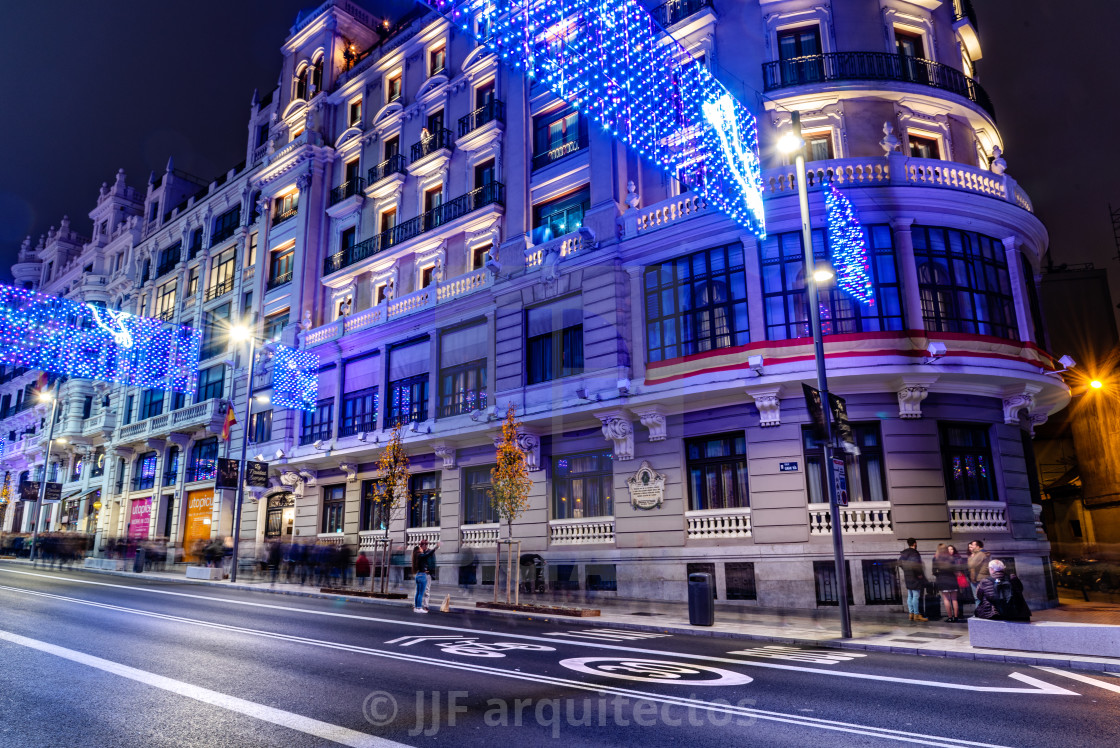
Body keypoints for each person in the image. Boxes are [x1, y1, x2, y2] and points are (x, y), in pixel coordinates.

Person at [898, 538, 928, 622]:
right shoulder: (914, 553)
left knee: (910, 595)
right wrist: (919, 574)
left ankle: (911, 614)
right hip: (915, 577)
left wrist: (906, 570)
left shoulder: (904, 553)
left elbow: (899, 563)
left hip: (908, 576)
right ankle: (916, 614)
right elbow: (915, 565)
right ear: (915, 543)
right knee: (915, 596)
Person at [933, 543, 961, 622]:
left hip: (942, 580)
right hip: (952, 579)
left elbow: (934, 571)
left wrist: (939, 574)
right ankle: (956, 617)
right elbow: (955, 569)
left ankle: (949, 617)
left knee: (946, 600)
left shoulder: (936, 558)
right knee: (954, 599)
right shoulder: (951, 558)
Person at [412, 539, 440, 613]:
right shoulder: (421, 554)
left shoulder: (417, 554)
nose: (421, 548)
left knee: (422, 591)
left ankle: (421, 606)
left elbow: (432, 561)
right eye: (420, 547)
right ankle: (418, 607)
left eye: (422, 546)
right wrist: (436, 547)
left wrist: (432, 573)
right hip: (422, 574)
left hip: (423, 574)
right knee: (420, 592)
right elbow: (428, 555)